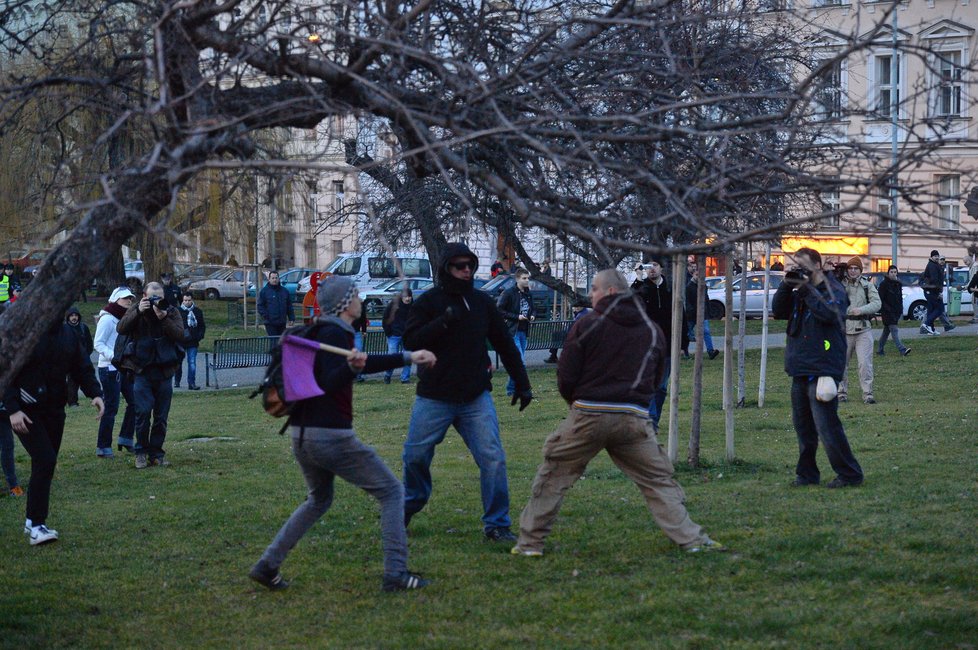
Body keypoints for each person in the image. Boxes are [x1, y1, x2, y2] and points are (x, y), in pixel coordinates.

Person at [511, 270, 722, 557]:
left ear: (610, 292)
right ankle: (693, 540)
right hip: (633, 418)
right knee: (658, 479)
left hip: (589, 414)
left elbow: (567, 373)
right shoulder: (649, 328)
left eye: (595, 289)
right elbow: (659, 374)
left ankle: (530, 544)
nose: (591, 295)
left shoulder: (588, 324)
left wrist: (576, 403)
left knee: (554, 474)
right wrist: (639, 401)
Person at [249, 276, 436, 592]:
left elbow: (354, 366)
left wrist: (409, 356)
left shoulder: (322, 332)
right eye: (356, 295)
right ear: (345, 303)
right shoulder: (336, 333)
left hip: (302, 435)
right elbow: (329, 382)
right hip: (330, 436)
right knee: (392, 492)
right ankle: (396, 574)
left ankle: (267, 566)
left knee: (319, 499)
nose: (360, 300)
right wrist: (351, 369)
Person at [401, 242, 532, 542]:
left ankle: (497, 524)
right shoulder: (428, 302)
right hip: (434, 396)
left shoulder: (483, 303)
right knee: (415, 456)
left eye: (470, 265)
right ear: (446, 269)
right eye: (459, 266)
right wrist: (442, 322)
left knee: (493, 459)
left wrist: (523, 383)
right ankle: (408, 506)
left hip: (475, 397)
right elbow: (411, 341)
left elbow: (505, 344)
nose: (466, 270)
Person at [3, 316, 105, 544]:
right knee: (45, 459)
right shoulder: (24, 333)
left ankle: (31, 520)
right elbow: (5, 369)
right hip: (25, 410)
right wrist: (12, 409)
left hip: (54, 409)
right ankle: (38, 526)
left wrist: (95, 393)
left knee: (45, 463)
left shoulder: (68, 334)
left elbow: (82, 366)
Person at [771, 247, 863, 488]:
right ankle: (807, 474)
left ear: (816, 266)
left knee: (826, 426)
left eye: (803, 267)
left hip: (823, 367)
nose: (800, 271)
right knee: (804, 427)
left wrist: (808, 289)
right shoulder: (801, 292)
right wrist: (786, 284)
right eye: (796, 266)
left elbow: (829, 313)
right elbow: (778, 311)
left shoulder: (834, 289)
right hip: (800, 366)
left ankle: (850, 474)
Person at [117, 281, 185, 469]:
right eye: (152, 297)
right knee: (143, 412)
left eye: (160, 298)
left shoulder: (171, 311)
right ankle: (141, 452)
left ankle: (156, 453)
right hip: (142, 371)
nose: (156, 301)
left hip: (164, 372)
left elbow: (180, 335)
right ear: (145, 296)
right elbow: (121, 328)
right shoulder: (137, 309)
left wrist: (164, 318)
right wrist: (138, 311)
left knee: (161, 416)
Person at [93, 287, 138, 456]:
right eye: (125, 298)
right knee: (111, 407)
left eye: (130, 298)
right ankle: (103, 447)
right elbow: (98, 343)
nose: (129, 301)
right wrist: (114, 356)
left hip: (124, 367)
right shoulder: (107, 319)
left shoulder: (124, 318)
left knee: (135, 402)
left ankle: (126, 438)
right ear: (115, 300)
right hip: (110, 368)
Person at [631, 259, 675, 427]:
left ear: (661, 267)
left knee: (661, 387)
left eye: (655, 266)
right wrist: (638, 279)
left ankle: (653, 419)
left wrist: (682, 343)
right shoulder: (642, 287)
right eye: (648, 267)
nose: (652, 270)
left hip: (667, 346)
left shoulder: (669, 288)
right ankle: (651, 422)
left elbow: (680, 315)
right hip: (646, 345)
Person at [838, 257, 881, 404]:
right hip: (844, 330)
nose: (853, 271)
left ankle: (867, 394)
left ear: (860, 270)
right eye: (850, 268)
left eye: (856, 268)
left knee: (864, 364)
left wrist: (861, 310)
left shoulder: (867, 285)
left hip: (863, 329)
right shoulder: (840, 285)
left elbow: (877, 303)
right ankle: (841, 393)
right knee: (841, 364)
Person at [496, 268, 536, 396]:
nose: (527, 280)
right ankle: (517, 389)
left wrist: (533, 315)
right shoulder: (509, 293)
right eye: (524, 278)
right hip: (512, 331)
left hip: (523, 330)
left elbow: (533, 308)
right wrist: (516, 316)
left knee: (517, 362)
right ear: (517, 279)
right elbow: (499, 310)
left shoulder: (528, 293)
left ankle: (512, 389)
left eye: (528, 278)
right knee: (520, 362)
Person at [685, 262, 719, 360]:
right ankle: (685, 352)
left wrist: (708, 310)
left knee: (706, 332)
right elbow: (687, 301)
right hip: (692, 314)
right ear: (693, 275)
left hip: (702, 313)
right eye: (696, 275)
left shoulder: (703, 285)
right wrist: (691, 311)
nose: (698, 277)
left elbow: (706, 298)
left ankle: (710, 351)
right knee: (688, 333)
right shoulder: (689, 286)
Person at [382, 289, 414, 384]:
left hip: (407, 336)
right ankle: (388, 375)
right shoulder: (393, 305)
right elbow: (385, 318)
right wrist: (389, 332)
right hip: (394, 335)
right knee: (392, 357)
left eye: (409, 296)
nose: (407, 299)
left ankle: (405, 378)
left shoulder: (413, 306)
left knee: (408, 357)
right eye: (405, 297)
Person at [64, 306, 94, 407]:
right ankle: (72, 402)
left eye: (75, 315)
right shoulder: (64, 329)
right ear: (68, 317)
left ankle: (95, 398)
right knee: (72, 382)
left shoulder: (83, 327)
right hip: (70, 361)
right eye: (72, 315)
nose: (74, 317)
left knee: (89, 379)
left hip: (84, 359)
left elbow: (89, 343)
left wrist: (86, 355)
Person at [877, 266, 910, 357]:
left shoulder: (898, 284)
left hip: (896, 311)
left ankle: (880, 350)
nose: (893, 274)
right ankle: (902, 349)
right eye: (891, 272)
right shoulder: (883, 284)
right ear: (888, 273)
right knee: (894, 330)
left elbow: (899, 298)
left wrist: (900, 309)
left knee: (886, 332)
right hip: (887, 312)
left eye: (895, 272)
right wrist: (887, 309)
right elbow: (881, 299)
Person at [176, 292, 205, 390]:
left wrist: (199, 336)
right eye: (185, 300)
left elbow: (202, 326)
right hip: (180, 341)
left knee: (192, 362)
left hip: (193, 341)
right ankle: (177, 380)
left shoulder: (197, 311)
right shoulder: (178, 311)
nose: (187, 302)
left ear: (192, 300)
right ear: (182, 301)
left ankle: (191, 383)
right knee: (178, 363)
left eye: (189, 300)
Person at [919, 250, 954, 335]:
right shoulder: (932, 266)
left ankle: (931, 329)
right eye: (935, 256)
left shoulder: (935, 265)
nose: (937, 257)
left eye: (937, 256)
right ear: (931, 257)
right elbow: (935, 280)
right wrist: (939, 292)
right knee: (939, 309)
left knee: (931, 310)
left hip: (931, 291)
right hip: (932, 291)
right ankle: (926, 324)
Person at [257, 270, 295, 336]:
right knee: (274, 343)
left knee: (281, 342)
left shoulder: (284, 291)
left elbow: (289, 306)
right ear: (269, 279)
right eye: (273, 278)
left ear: (278, 278)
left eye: (276, 278)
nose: (275, 280)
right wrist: (267, 316)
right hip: (270, 323)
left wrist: (291, 318)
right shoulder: (264, 291)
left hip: (282, 323)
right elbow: (260, 306)